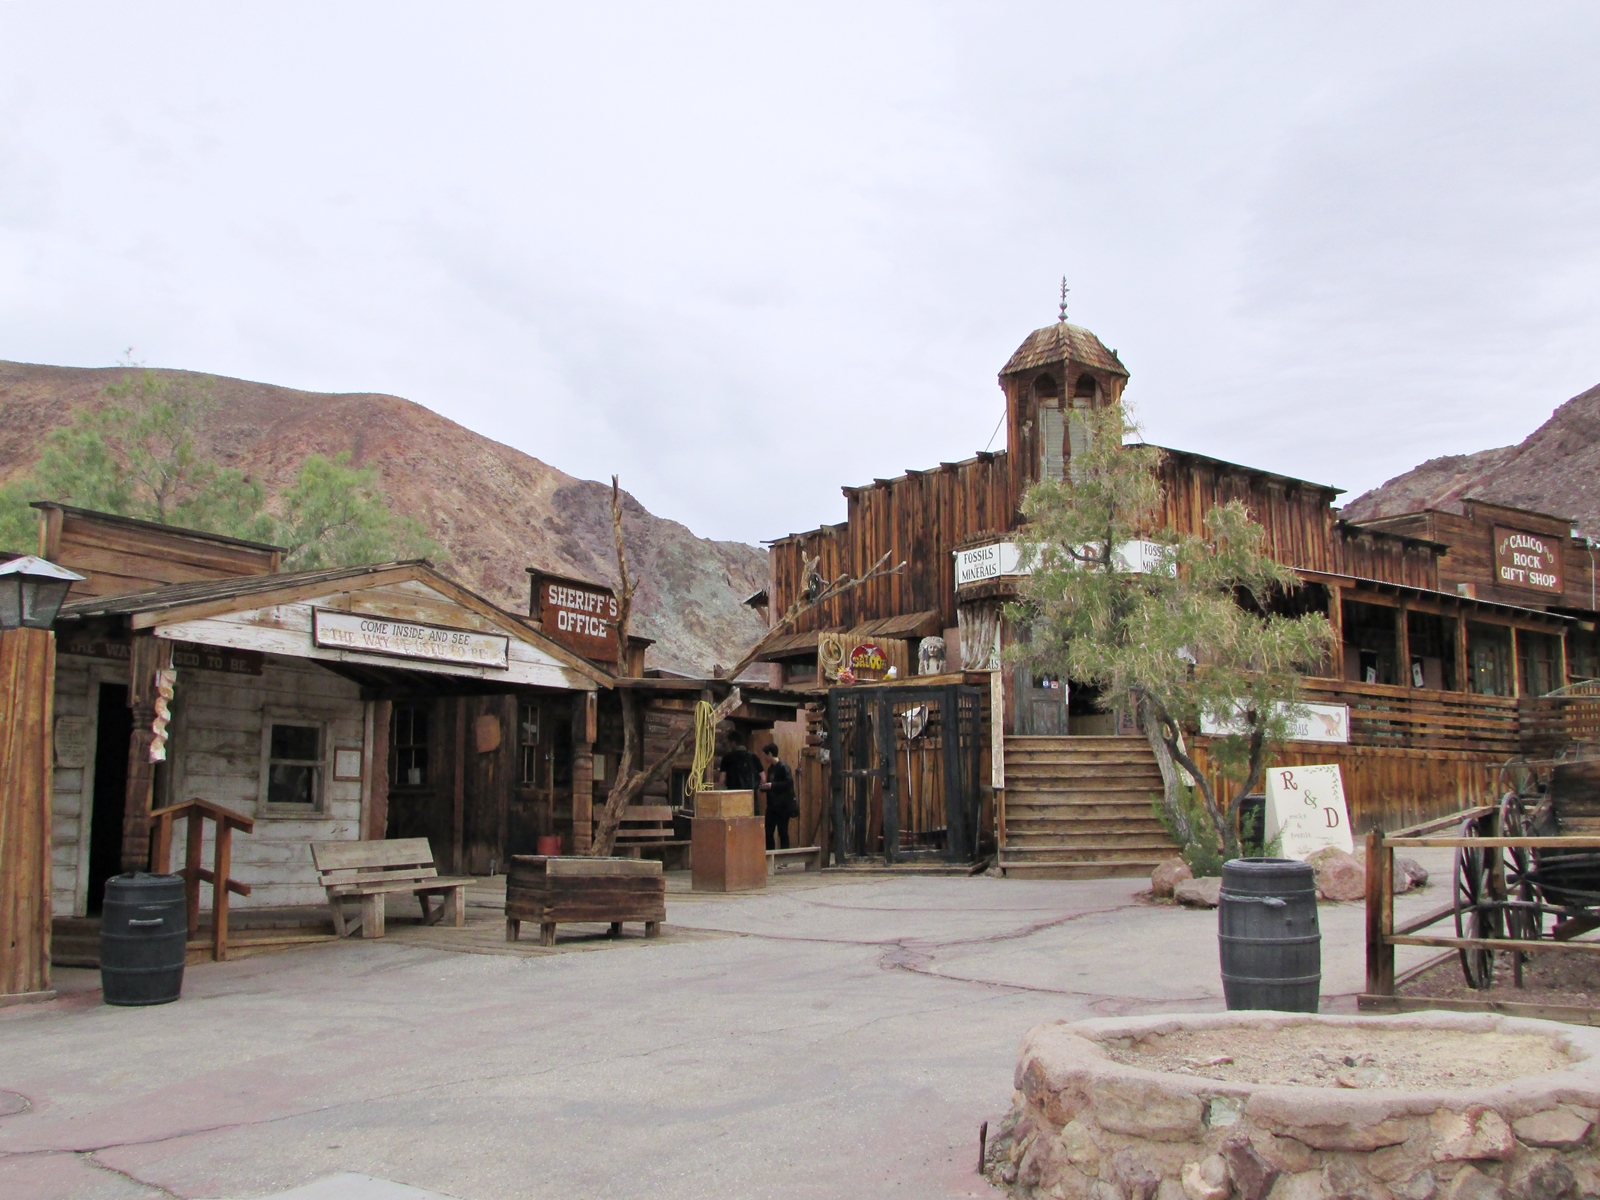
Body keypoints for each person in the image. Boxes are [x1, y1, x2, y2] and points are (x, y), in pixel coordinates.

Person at [759, 742, 797, 851]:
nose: (765, 758)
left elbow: (788, 783)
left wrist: (773, 785)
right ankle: (770, 855)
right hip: (772, 805)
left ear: (770, 754)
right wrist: (764, 787)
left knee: (783, 831)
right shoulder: (771, 768)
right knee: (768, 831)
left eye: (766, 755)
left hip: (783, 805)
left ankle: (785, 857)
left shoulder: (783, 767)